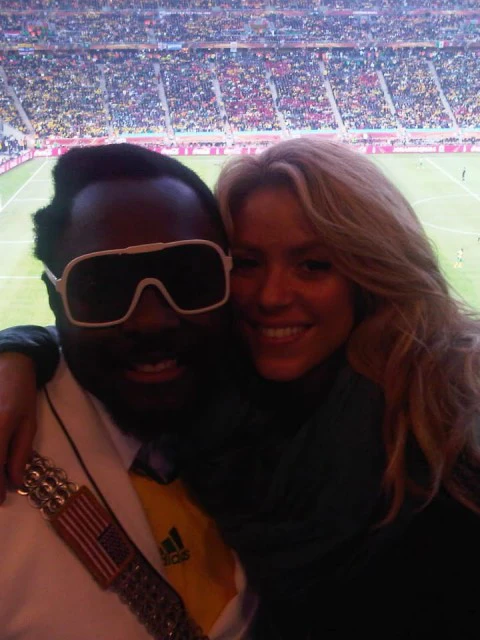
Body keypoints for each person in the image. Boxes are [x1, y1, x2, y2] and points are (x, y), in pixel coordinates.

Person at [1, 138, 480, 638]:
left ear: (372, 272)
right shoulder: (222, 402)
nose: (271, 297)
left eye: (313, 265)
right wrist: (19, 348)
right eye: (248, 263)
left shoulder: (447, 443)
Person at [0, 144, 256, 640]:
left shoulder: (279, 412)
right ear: (55, 300)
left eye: (190, 278)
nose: (151, 320)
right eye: (102, 289)